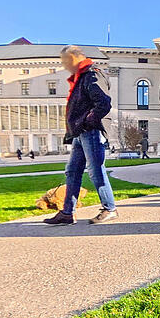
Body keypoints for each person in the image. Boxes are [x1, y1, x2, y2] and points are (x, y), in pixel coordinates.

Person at [44, 45, 117, 225]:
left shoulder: (92, 74)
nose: (64, 65)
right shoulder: (82, 77)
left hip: (89, 131)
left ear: (76, 57)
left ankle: (110, 208)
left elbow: (104, 103)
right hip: (80, 132)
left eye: (66, 60)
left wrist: (87, 122)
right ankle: (68, 212)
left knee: (96, 170)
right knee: (72, 171)